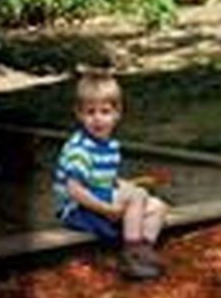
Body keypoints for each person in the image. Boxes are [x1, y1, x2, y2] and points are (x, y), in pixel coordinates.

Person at [53, 66, 168, 280]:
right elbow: (74, 190)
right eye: (90, 112)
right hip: (78, 209)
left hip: (99, 201)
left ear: (117, 113)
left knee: (158, 207)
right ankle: (131, 253)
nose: (98, 119)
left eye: (105, 112)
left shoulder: (110, 145)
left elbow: (104, 179)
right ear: (79, 113)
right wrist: (107, 209)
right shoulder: (80, 149)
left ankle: (144, 252)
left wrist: (124, 186)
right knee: (138, 196)